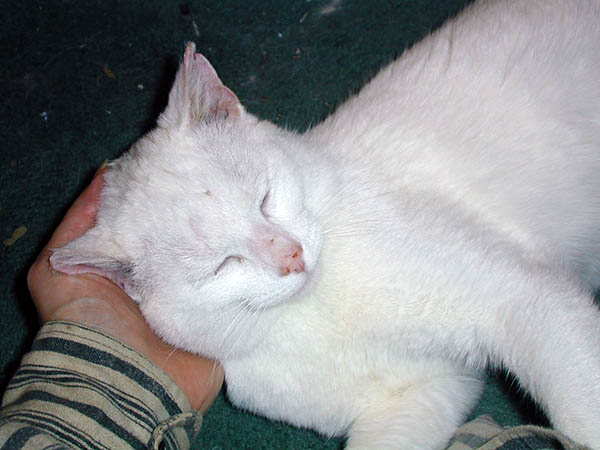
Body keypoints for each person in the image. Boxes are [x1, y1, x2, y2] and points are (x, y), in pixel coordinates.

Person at [0, 165, 588, 450]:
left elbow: (527, 303)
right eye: (225, 264)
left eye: (266, 200)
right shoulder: (258, 382)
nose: (291, 254)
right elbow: (425, 387)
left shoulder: (352, 212)